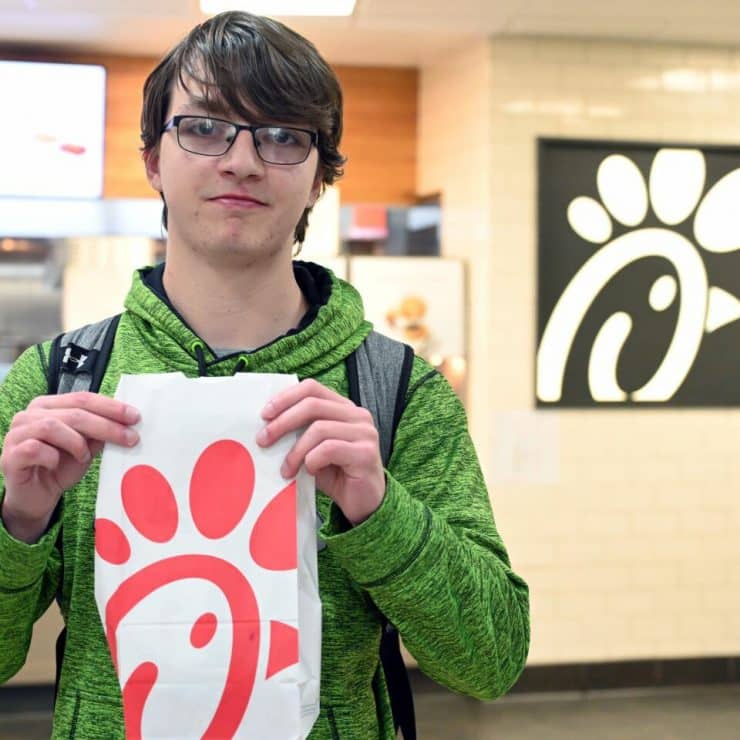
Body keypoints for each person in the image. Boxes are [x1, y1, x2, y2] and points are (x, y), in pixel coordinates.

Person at [0, 10, 529, 739]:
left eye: (283, 135)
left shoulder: (395, 391)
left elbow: (490, 659)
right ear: (153, 158)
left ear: (319, 178)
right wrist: (19, 521)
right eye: (205, 126)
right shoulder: (60, 383)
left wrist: (379, 512)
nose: (242, 160)